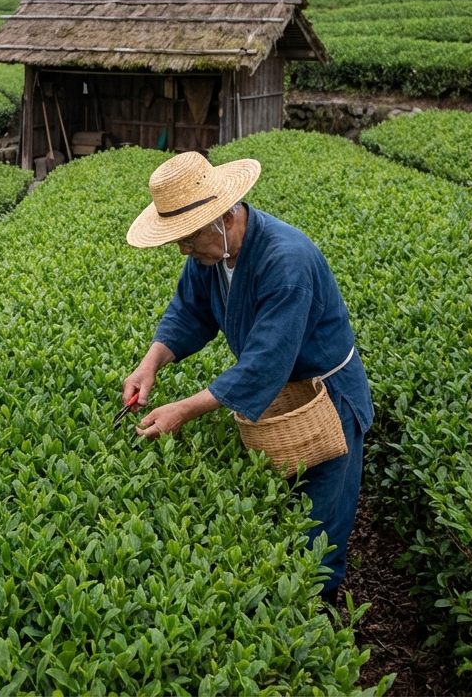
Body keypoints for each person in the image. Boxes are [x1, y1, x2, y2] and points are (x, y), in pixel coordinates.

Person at [122, 151, 373, 605]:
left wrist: (184, 409)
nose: (183, 250)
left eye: (187, 239)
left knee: (322, 518)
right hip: (278, 397)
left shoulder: (286, 261)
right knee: (280, 510)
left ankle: (321, 616)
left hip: (326, 400)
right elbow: (188, 312)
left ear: (222, 218)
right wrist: (150, 364)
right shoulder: (210, 253)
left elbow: (265, 362)